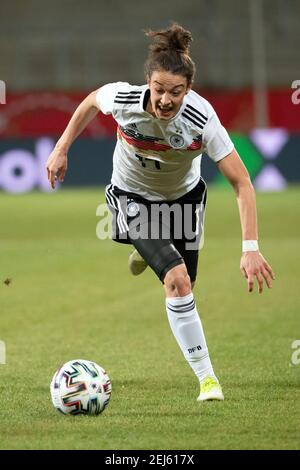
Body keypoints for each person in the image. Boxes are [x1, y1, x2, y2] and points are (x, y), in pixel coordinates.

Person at [46, 23, 275, 402]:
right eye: (159, 89)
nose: (166, 100)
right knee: (177, 280)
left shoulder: (203, 119)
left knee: (186, 285)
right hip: (132, 194)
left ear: (189, 89)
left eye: (176, 92)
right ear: (147, 83)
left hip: (184, 200)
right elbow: (90, 101)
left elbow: (242, 183)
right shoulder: (124, 99)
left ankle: (147, 250)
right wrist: (61, 147)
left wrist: (250, 246)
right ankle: (208, 381)